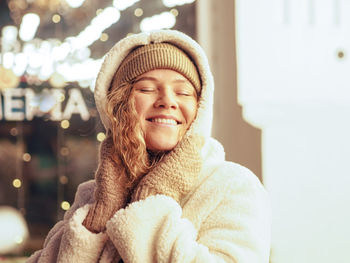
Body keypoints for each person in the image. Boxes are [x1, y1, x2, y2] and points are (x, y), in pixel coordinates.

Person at [26, 29, 271, 263]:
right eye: (147, 89)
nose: (167, 101)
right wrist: (99, 218)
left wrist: (151, 201)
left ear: (200, 108)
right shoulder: (93, 195)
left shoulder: (231, 186)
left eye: (184, 92)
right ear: (119, 105)